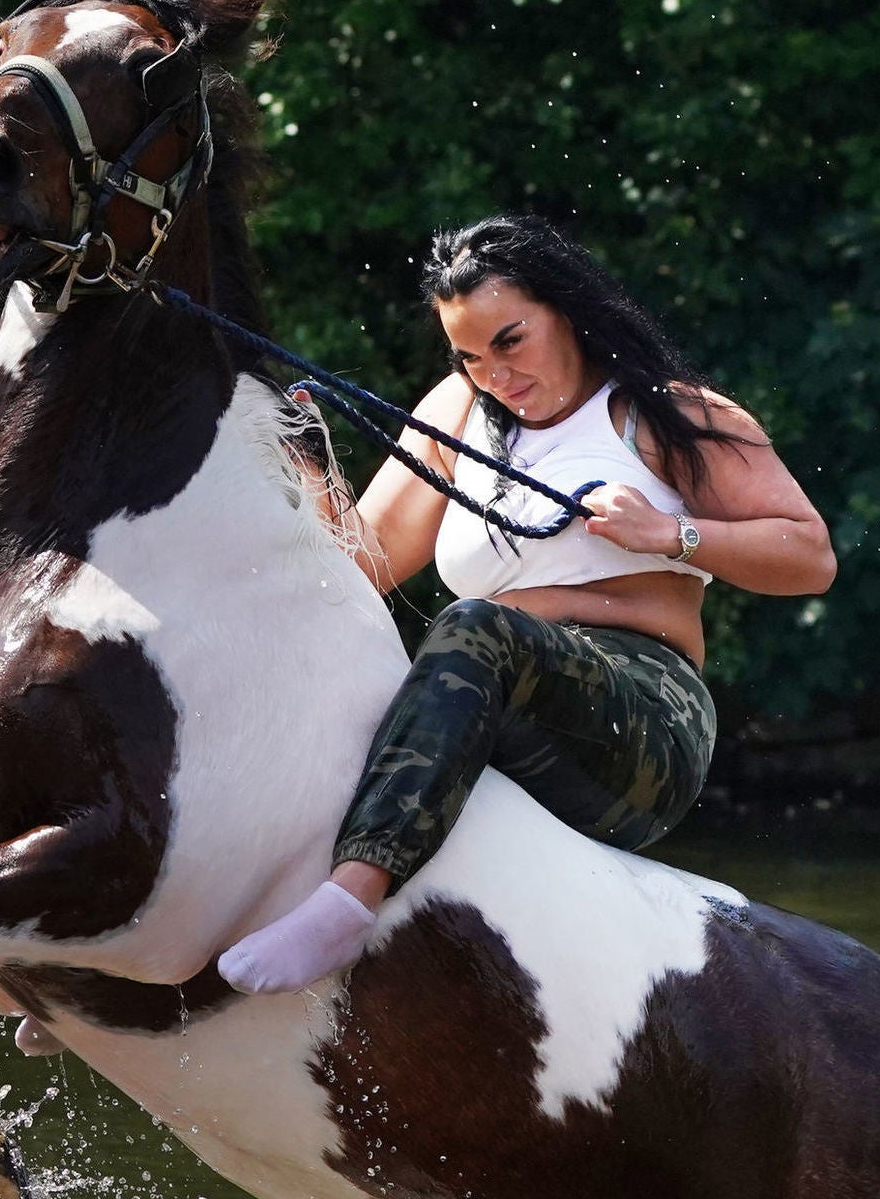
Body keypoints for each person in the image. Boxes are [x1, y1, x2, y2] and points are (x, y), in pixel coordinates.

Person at [217, 215, 836, 994]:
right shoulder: (454, 410)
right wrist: (307, 458)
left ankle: (348, 902)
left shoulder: (664, 414)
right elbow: (359, 566)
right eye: (469, 356)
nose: (494, 376)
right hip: (482, 695)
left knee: (471, 625)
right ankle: (157, 947)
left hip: (640, 721)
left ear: (566, 309)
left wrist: (665, 533)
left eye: (510, 342)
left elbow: (809, 556)